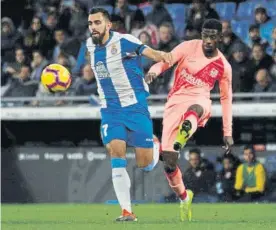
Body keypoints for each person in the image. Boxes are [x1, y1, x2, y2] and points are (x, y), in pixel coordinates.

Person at [86, 7, 172, 222]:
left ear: (108, 25)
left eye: (97, 23)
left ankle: (154, 144)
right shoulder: (90, 45)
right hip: (110, 110)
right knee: (117, 153)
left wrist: (166, 56)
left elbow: (152, 54)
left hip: (135, 107)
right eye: (90, 23)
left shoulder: (125, 41)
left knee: (145, 164)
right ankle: (127, 211)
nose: (93, 27)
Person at [146, 19, 234, 221]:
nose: (208, 40)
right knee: (169, 162)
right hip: (175, 102)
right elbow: (167, 60)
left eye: (213, 36)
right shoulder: (188, 46)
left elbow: (226, 99)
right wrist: (153, 71)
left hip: (200, 100)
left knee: (195, 110)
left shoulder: (223, 66)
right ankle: (185, 198)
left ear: (220, 37)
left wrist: (227, 132)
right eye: (206, 35)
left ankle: (182, 136)